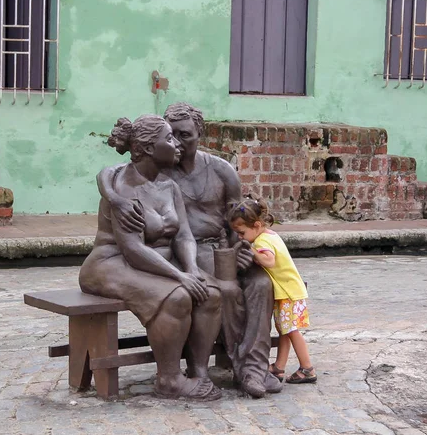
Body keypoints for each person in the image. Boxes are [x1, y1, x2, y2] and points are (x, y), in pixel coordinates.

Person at [97, 102, 282, 397]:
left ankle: (256, 366)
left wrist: (242, 247)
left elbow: (241, 221)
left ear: (200, 133)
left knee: (261, 284)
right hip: (184, 254)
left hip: (218, 249)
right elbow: (113, 172)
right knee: (227, 290)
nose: (178, 143)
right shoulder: (159, 168)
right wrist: (112, 196)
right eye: (173, 136)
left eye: (184, 135)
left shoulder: (221, 171)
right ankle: (241, 368)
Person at [79, 114, 223, 401]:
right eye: (168, 139)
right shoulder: (122, 190)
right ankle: (169, 379)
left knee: (211, 294)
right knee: (177, 296)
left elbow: (183, 235)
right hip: (111, 263)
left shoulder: (169, 186)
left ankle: (199, 372)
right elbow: (132, 250)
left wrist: (192, 268)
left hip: (153, 262)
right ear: (147, 148)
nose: (176, 144)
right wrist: (178, 276)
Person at [228, 198, 317, 384]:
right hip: (290, 291)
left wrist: (252, 252)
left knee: (292, 331)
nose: (240, 237)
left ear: (257, 225)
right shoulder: (269, 234)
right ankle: (279, 367)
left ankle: (307, 368)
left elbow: (269, 261)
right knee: (285, 330)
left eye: (242, 233)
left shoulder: (261, 241)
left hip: (288, 293)